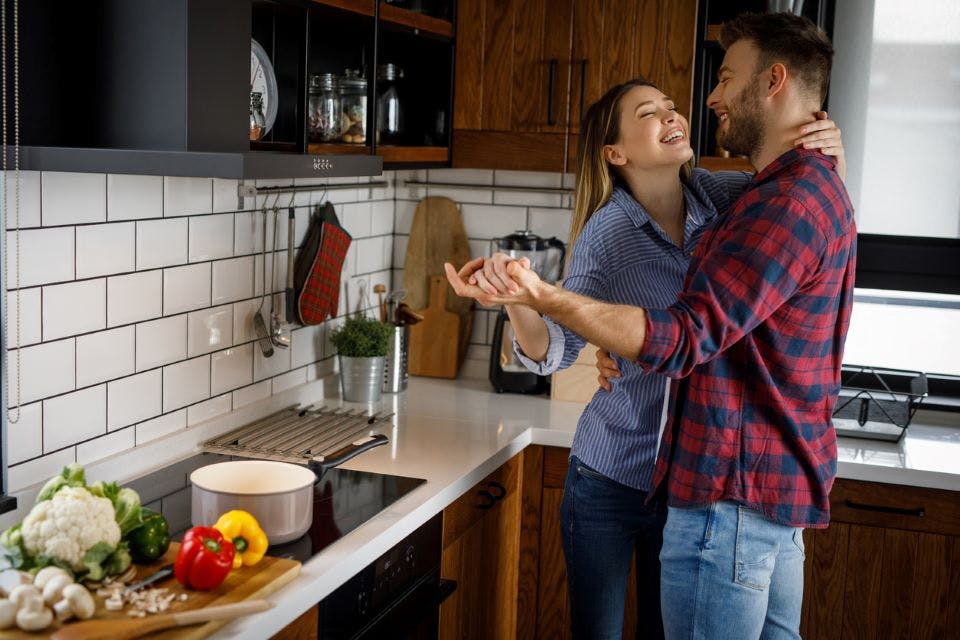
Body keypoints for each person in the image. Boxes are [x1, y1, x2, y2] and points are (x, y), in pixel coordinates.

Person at [446, 12, 854, 640]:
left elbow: (798, 207)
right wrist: (522, 301)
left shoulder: (725, 198)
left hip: (693, 476)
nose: (681, 112)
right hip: (614, 473)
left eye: (672, 105)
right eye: (648, 114)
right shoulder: (608, 236)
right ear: (616, 153)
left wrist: (831, 149)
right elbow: (555, 353)